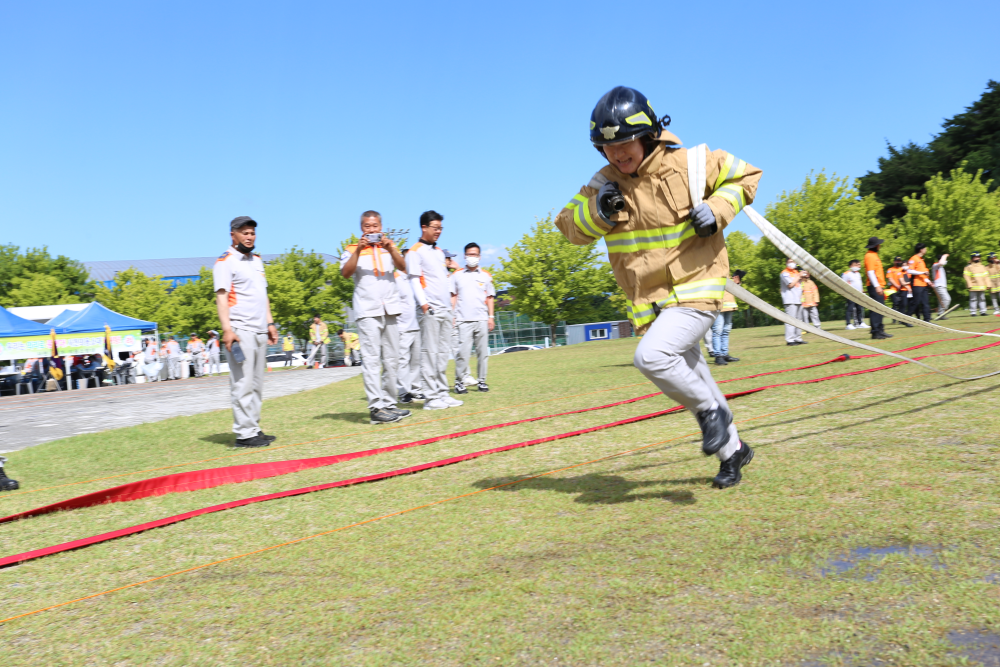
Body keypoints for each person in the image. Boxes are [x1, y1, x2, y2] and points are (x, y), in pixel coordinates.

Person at [553, 86, 762, 489]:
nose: (617, 154)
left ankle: (709, 414)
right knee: (695, 372)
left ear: (648, 133)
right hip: (654, 303)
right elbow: (569, 228)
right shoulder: (603, 184)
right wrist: (598, 211)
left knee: (651, 357)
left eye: (624, 143)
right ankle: (733, 452)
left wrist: (718, 210)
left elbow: (747, 175)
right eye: (607, 147)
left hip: (698, 285)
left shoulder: (693, 163)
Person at [213, 215, 279, 447]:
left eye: (252, 233)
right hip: (240, 329)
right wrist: (227, 330)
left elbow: (263, 295)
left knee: (257, 384)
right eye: (245, 233)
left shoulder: (257, 261)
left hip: (260, 328)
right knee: (242, 382)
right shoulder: (225, 261)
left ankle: (254, 427)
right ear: (233, 235)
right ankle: (244, 434)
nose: (250, 237)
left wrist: (270, 323)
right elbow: (221, 297)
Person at [340, 210, 411, 425]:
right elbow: (345, 273)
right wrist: (359, 251)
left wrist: (391, 248)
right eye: (368, 227)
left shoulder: (389, 247)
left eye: (375, 226)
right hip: (368, 311)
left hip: (390, 308)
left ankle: (389, 403)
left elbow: (404, 267)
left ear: (381, 226)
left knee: (392, 359)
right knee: (371, 360)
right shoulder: (352, 249)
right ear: (362, 228)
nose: (372, 230)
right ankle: (376, 407)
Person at [407, 211, 464, 411]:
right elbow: (414, 279)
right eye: (435, 228)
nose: (438, 231)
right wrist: (424, 304)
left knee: (441, 354)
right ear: (424, 227)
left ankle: (442, 393)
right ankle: (430, 398)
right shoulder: (415, 251)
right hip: (429, 308)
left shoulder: (439, 252)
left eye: (440, 228)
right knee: (429, 353)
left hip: (445, 308)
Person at [450, 242, 496, 392]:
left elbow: (490, 297)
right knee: (462, 354)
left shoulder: (486, 276)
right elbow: (453, 296)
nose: (472, 257)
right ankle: (459, 382)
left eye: (475, 254)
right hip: (463, 320)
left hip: (482, 319)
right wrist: (452, 315)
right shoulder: (456, 275)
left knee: (482, 353)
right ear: (465, 256)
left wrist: (491, 317)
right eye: (469, 254)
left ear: (479, 256)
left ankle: (482, 381)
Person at [393, 265, 424, 403]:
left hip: (415, 326)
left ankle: (416, 389)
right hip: (401, 327)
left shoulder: (413, 280)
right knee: (403, 361)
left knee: (416, 361)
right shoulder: (395, 278)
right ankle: (403, 392)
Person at [711, 270, 744, 366]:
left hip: (729, 305)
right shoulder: (714, 274)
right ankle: (718, 356)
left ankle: (724, 354)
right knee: (717, 330)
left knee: (726, 330)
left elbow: (735, 291)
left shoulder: (729, 276)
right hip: (719, 306)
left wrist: (737, 284)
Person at [864, 236, 892, 339]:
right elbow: (870, 272)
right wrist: (877, 286)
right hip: (875, 286)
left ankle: (880, 330)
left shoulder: (874, 255)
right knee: (876, 309)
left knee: (880, 309)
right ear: (876, 246)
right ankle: (875, 332)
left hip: (878, 286)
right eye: (879, 244)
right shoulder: (870, 256)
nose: (880, 246)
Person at [780, 260, 806, 345]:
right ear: (786, 262)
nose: (793, 263)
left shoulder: (796, 272)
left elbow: (800, 283)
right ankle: (790, 340)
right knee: (790, 320)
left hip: (798, 299)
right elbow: (790, 285)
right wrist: (799, 276)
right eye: (790, 261)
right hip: (790, 300)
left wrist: (803, 276)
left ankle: (798, 338)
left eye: (794, 261)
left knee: (799, 320)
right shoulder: (784, 273)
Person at [907, 243, 932, 321]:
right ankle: (905, 319)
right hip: (917, 284)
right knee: (915, 303)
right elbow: (909, 270)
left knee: (926, 303)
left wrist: (928, 281)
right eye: (925, 248)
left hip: (923, 284)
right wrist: (922, 273)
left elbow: (923, 274)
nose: (926, 250)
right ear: (921, 250)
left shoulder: (921, 260)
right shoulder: (914, 259)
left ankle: (927, 320)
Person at [841, 260, 867, 330]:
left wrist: (862, 292)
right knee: (850, 309)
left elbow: (859, 284)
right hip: (851, 294)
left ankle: (860, 323)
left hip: (859, 294)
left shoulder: (858, 273)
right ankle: (848, 324)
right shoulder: (846, 273)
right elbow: (843, 284)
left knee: (859, 309)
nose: (858, 266)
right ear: (851, 266)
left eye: (859, 265)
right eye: (856, 265)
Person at [931, 253, 951, 319]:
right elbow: (941, 263)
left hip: (941, 286)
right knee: (947, 299)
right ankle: (941, 314)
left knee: (942, 301)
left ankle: (941, 314)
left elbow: (942, 263)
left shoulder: (940, 267)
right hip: (939, 286)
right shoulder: (935, 265)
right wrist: (945, 256)